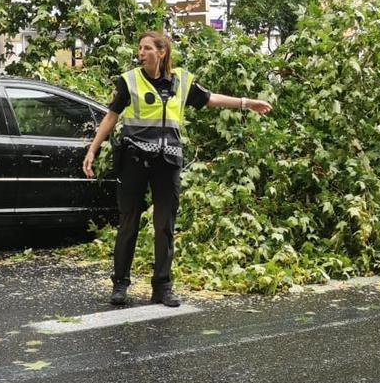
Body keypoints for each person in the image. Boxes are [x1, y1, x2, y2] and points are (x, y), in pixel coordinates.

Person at [82, 31, 272, 307]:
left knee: (165, 226)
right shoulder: (129, 81)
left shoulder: (181, 81)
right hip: (134, 160)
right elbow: (111, 116)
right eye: (140, 48)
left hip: (168, 161)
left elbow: (210, 99)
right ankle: (120, 285)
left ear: (161, 52)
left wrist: (246, 103)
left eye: (147, 48)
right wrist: (92, 148)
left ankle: (162, 287)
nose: (141, 52)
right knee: (128, 223)